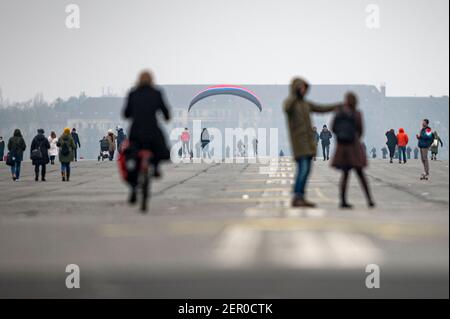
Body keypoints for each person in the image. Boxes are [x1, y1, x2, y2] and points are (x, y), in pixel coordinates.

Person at [284, 77, 341, 207]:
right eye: (301, 88)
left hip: (308, 143)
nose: (304, 90)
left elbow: (321, 108)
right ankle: (297, 196)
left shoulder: (305, 104)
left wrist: (336, 106)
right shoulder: (291, 104)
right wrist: (295, 94)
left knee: (306, 170)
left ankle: (301, 196)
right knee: (303, 170)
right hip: (299, 143)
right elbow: (287, 107)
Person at [123, 70, 171, 207]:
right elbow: (165, 111)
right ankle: (155, 167)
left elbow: (126, 113)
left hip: (136, 131)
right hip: (152, 130)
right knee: (160, 147)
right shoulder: (156, 93)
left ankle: (133, 187)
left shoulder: (133, 93)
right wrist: (167, 117)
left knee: (132, 155)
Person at [331, 93, 375, 208]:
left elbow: (333, 128)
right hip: (353, 146)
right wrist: (355, 138)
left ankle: (343, 200)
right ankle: (369, 199)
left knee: (345, 174)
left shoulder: (339, 113)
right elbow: (361, 129)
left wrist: (341, 137)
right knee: (360, 174)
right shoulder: (357, 113)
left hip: (342, 147)